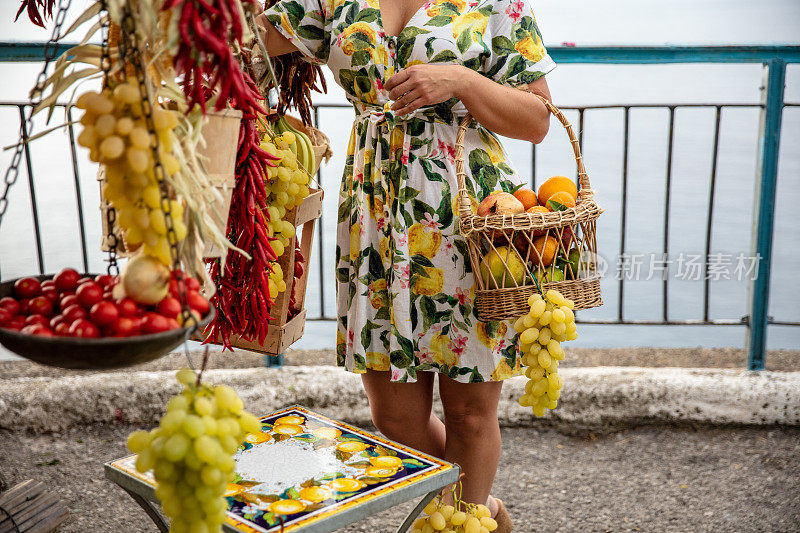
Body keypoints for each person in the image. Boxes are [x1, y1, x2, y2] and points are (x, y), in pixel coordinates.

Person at [257, 0, 554, 529]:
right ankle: (480, 512)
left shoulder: (497, 5)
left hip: (468, 220)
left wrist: (462, 80)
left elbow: (536, 119)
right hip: (373, 222)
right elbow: (251, 40)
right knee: (393, 418)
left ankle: (464, 522)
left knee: (468, 412)